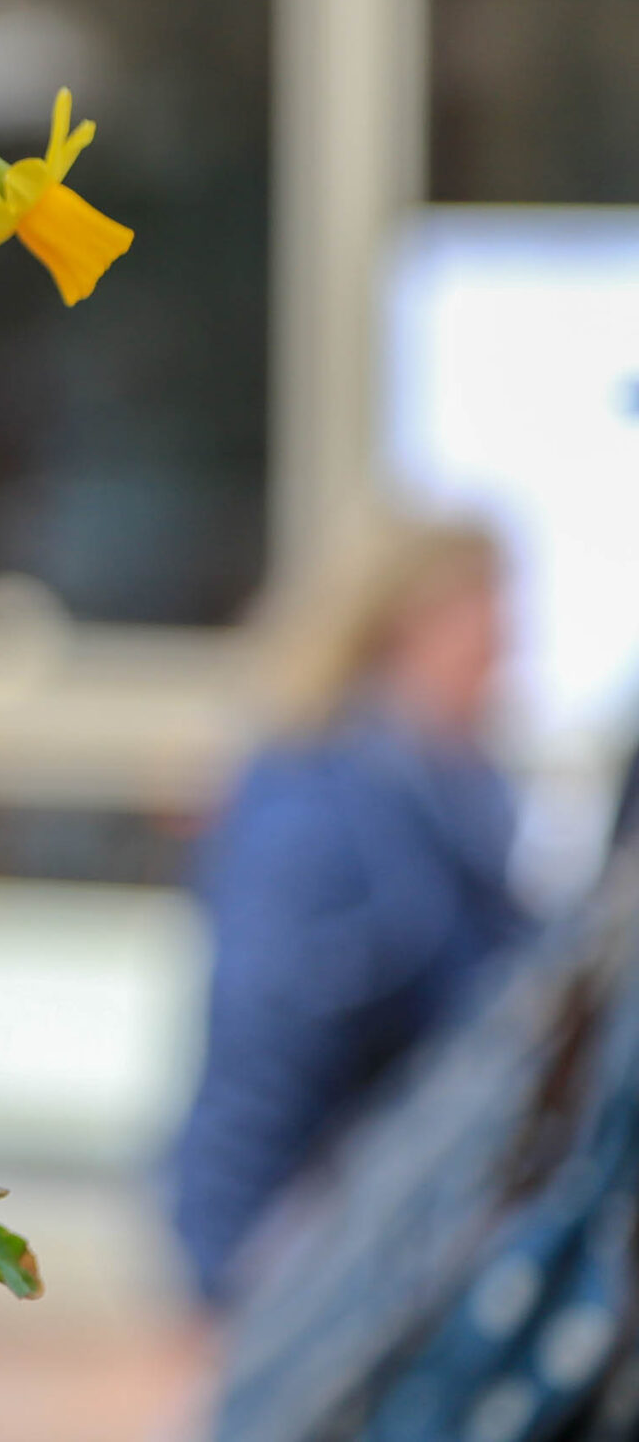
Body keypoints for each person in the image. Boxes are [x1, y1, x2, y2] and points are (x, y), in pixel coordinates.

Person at [172, 517, 530, 1304]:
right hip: (311, 1244)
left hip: (399, 1238)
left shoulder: (459, 795)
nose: (508, 657)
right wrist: (225, 1267)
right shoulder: (322, 811)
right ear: (404, 629)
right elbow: (260, 1043)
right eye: (488, 629)